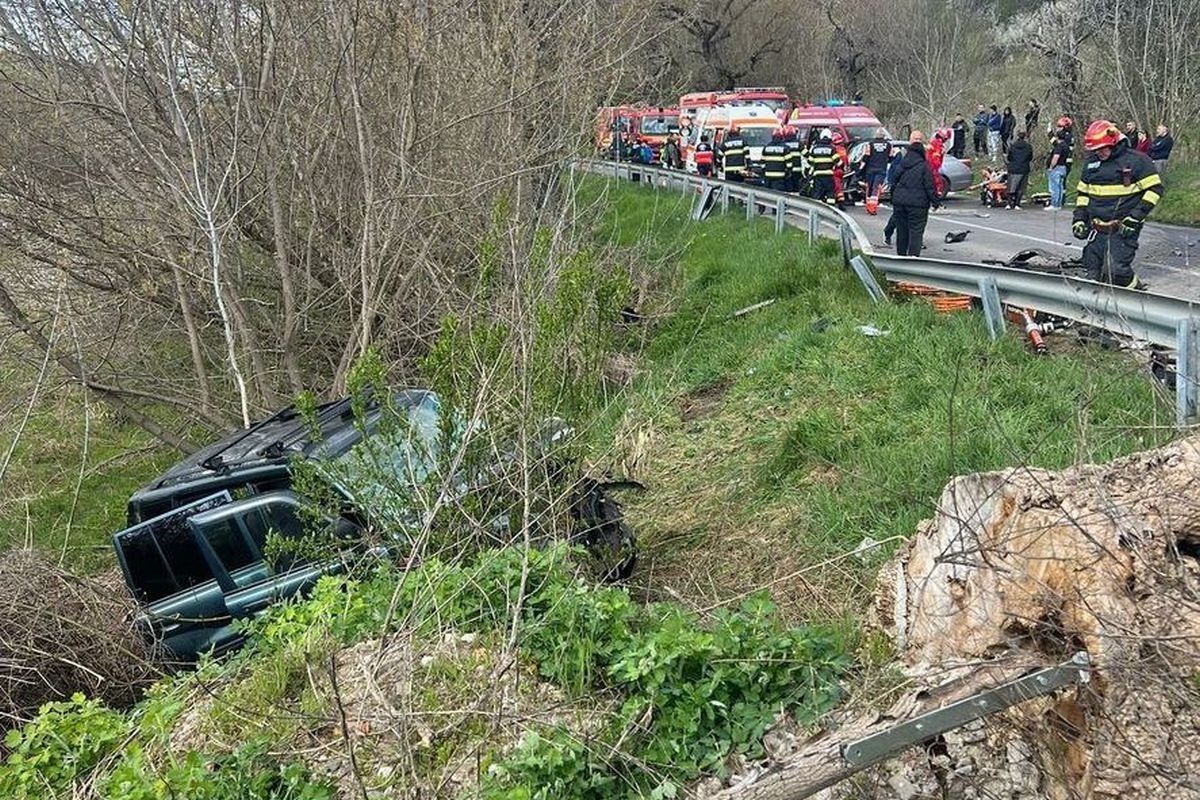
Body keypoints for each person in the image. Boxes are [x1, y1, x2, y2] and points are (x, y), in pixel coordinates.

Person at [1072, 119, 1163, 287]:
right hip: (1097, 229)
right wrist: (1079, 220)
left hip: (1122, 228)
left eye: (1102, 148)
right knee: (1091, 268)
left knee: (1116, 271)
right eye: (1095, 149)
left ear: (1113, 142)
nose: (1098, 152)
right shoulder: (1091, 164)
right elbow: (1083, 194)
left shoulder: (1137, 161)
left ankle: (1135, 292)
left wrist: (1136, 217)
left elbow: (1155, 189)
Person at [891, 131, 941, 256]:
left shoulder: (903, 163)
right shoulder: (924, 166)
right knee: (916, 232)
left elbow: (894, 180)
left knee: (902, 231)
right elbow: (930, 186)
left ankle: (901, 256)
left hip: (900, 202)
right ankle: (913, 258)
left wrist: (894, 197)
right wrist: (935, 202)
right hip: (918, 205)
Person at [805, 128, 838, 205]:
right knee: (830, 193)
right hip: (828, 176)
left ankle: (817, 208)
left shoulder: (815, 148)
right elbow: (838, 162)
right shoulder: (832, 148)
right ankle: (831, 207)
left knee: (817, 193)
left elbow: (810, 161)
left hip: (818, 176)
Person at [883, 146, 905, 247]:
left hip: (913, 194)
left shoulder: (921, 160)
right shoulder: (900, 159)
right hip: (900, 192)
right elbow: (893, 177)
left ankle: (915, 240)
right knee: (897, 216)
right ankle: (888, 233)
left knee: (913, 219)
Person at [1005, 130, 1033, 209]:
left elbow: (1009, 157)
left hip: (1013, 168)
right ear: (1025, 137)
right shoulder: (1028, 147)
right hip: (1023, 168)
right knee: (1021, 186)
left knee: (1011, 186)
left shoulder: (1012, 146)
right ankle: (1017, 203)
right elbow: (1030, 157)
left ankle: (1009, 203)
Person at [861, 128, 892, 200]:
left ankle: (868, 200)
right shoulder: (888, 145)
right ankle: (874, 201)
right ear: (884, 135)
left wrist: (861, 167)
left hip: (870, 169)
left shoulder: (870, 144)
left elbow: (866, 156)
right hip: (881, 169)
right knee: (877, 186)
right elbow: (891, 157)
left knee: (869, 186)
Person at [1045, 128, 1071, 210]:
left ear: (1057, 137)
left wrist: (1051, 167)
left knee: (1054, 187)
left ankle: (1054, 204)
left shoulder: (1059, 147)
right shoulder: (1066, 146)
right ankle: (1059, 204)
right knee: (1060, 187)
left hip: (1057, 168)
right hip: (1063, 167)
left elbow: (1056, 157)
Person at [928, 127, 949, 199]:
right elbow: (936, 157)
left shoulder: (933, 142)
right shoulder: (938, 144)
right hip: (933, 166)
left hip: (930, 164)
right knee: (935, 181)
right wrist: (938, 165)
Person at [831, 130, 850, 207]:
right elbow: (847, 161)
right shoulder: (843, 149)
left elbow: (834, 161)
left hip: (835, 170)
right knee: (839, 186)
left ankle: (840, 202)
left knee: (837, 187)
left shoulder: (834, 150)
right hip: (842, 171)